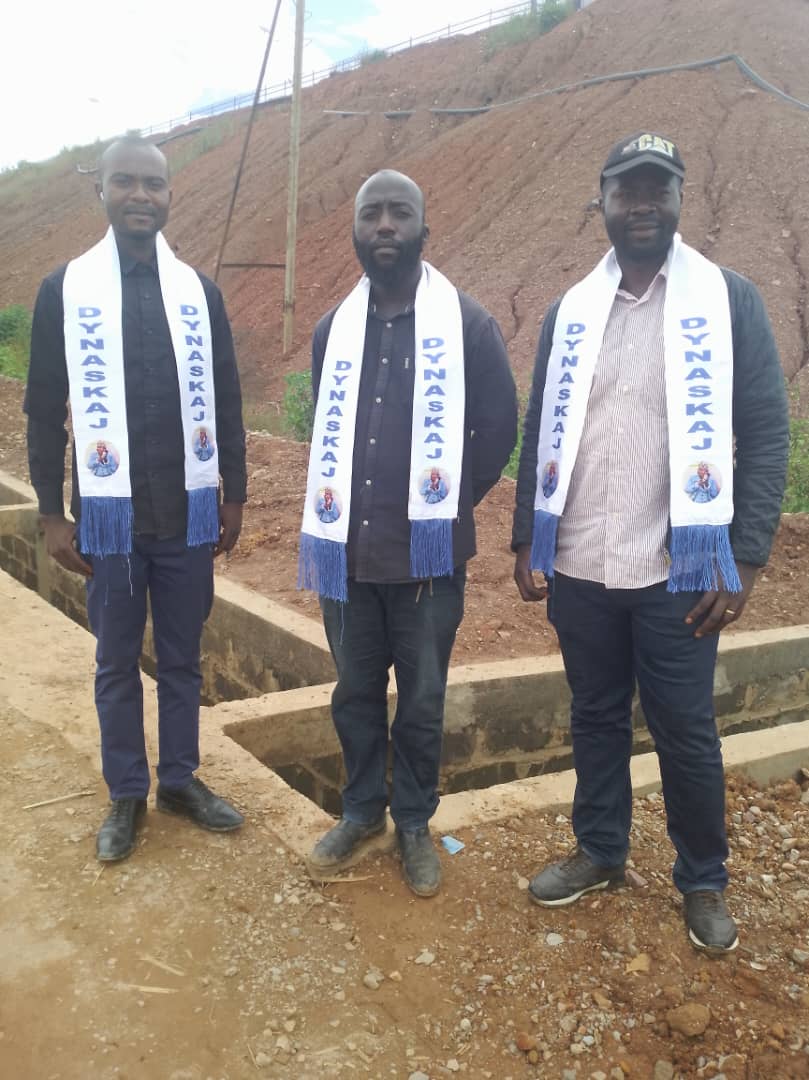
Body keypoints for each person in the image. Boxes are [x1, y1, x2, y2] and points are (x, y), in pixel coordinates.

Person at [512, 132, 789, 953]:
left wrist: (745, 557)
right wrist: (528, 536)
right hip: (579, 561)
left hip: (679, 568)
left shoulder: (727, 300)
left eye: (656, 190)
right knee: (595, 716)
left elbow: (765, 431)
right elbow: (541, 427)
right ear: (600, 201)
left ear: (677, 200)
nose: (641, 205)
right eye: (625, 191)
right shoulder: (570, 310)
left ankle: (701, 878)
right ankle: (600, 852)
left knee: (684, 730)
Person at [25, 136, 248, 863]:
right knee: (116, 661)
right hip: (109, 517)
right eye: (125, 182)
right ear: (103, 190)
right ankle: (126, 792)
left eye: (153, 184)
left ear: (170, 194)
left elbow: (226, 398)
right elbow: (42, 408)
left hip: (186, 514)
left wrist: (235, 495)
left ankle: (179, 780)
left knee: (183, 658)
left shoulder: (198, 294)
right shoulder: (66, 290)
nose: (140, 196)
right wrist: (51, 513)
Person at [299, 169, 517, 896]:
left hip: (427, 560)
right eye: (372, 214)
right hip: (347, 555)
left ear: (425, 228)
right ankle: (361, 811)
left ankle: (415, 823)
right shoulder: (332, 330)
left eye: (400, 213)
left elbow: (498, 429)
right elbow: (324, 426)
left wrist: (444, 506)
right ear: (356, 230)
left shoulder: (468, 326)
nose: (385, 225)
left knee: (422, 701)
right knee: (354, 693)